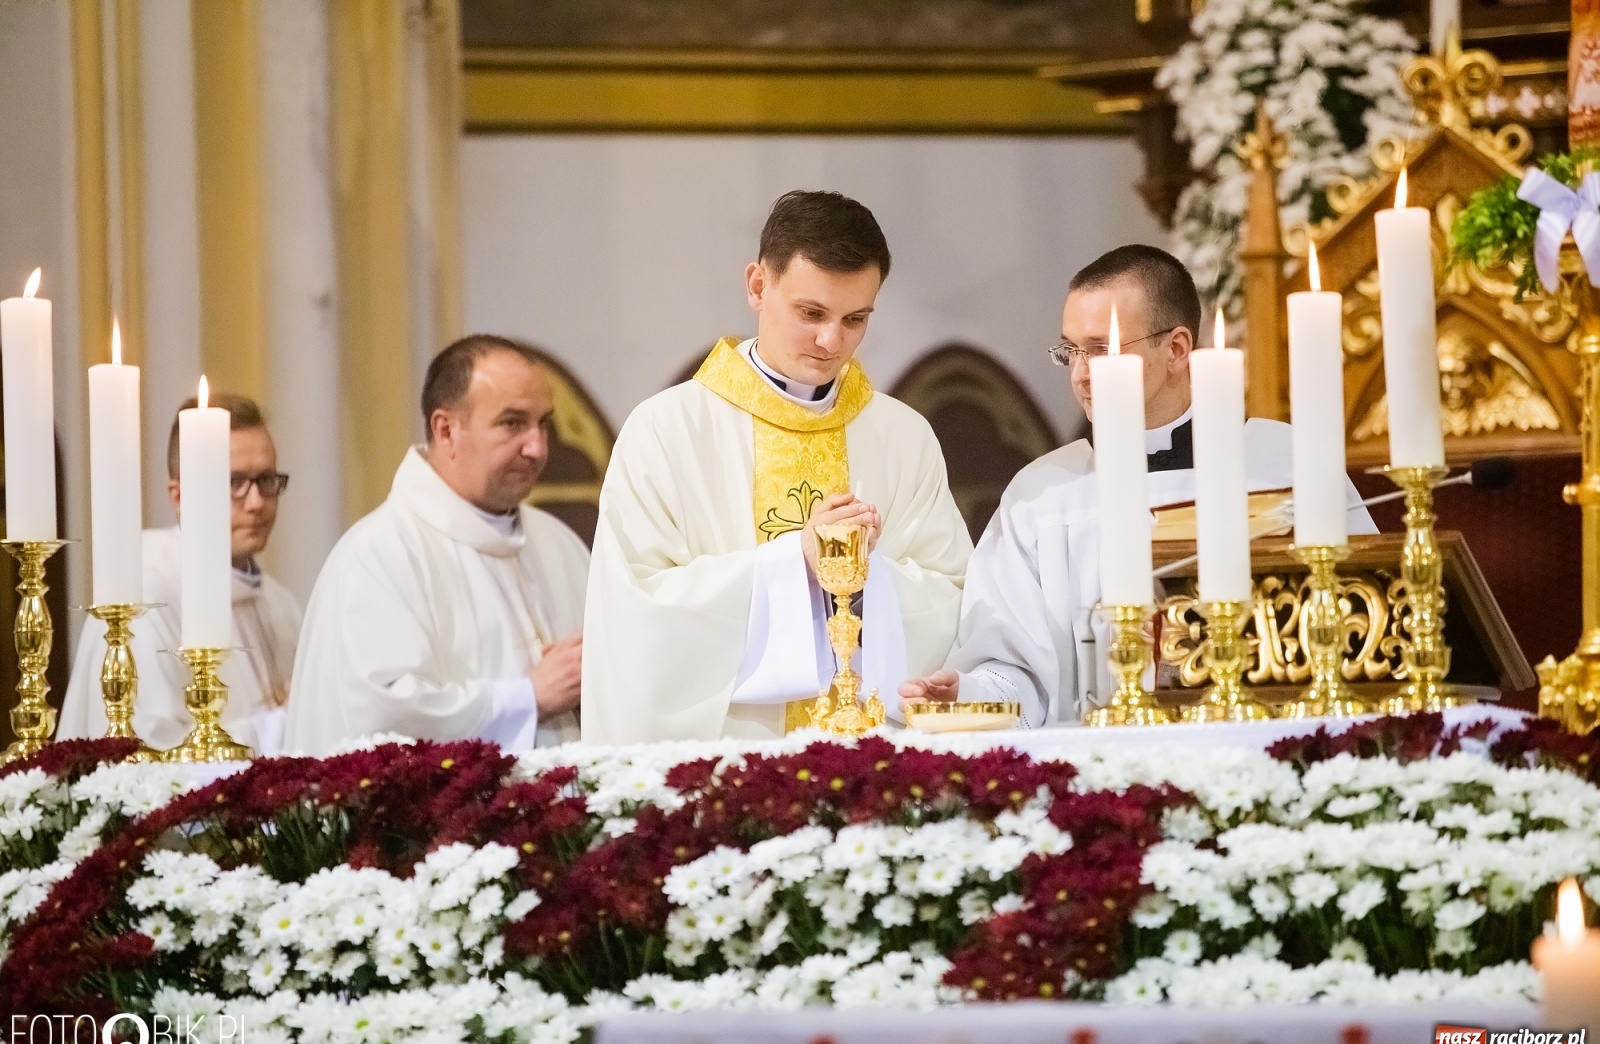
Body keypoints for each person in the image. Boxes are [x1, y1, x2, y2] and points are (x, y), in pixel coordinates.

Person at [900, 245, 1376, 727]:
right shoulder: (1041, 495)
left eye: (1101, 350)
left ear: (1175, 350)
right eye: (1070, 351)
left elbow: (1371, 618)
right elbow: (1014, 668)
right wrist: (973, 695)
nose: (1080, 374)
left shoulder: (1291, 464)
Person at [582, 190, 971, 742]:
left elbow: (955, 598)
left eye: (855, 318)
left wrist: (864, 578)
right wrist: (795, 564)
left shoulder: (902, 435)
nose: (832, 340)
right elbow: (633, 618)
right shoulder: (666, 431)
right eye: (811, 313)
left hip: (873, 765)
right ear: (758, 286)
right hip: (728, 768)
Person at [285, 335, 589, 755]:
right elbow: (382, 717)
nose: (537, 447)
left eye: (543, 424)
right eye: (512, 423)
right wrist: (527, 699)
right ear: (446, 430)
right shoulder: (380, 555)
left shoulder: (559, 544)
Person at [59, 394, 302, 754]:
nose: (256, 503)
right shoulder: (143, 593)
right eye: (234, 482)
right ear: (178, 496)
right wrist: (283, 723)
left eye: (266, 479)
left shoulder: (281, 606)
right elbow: (147, 754)